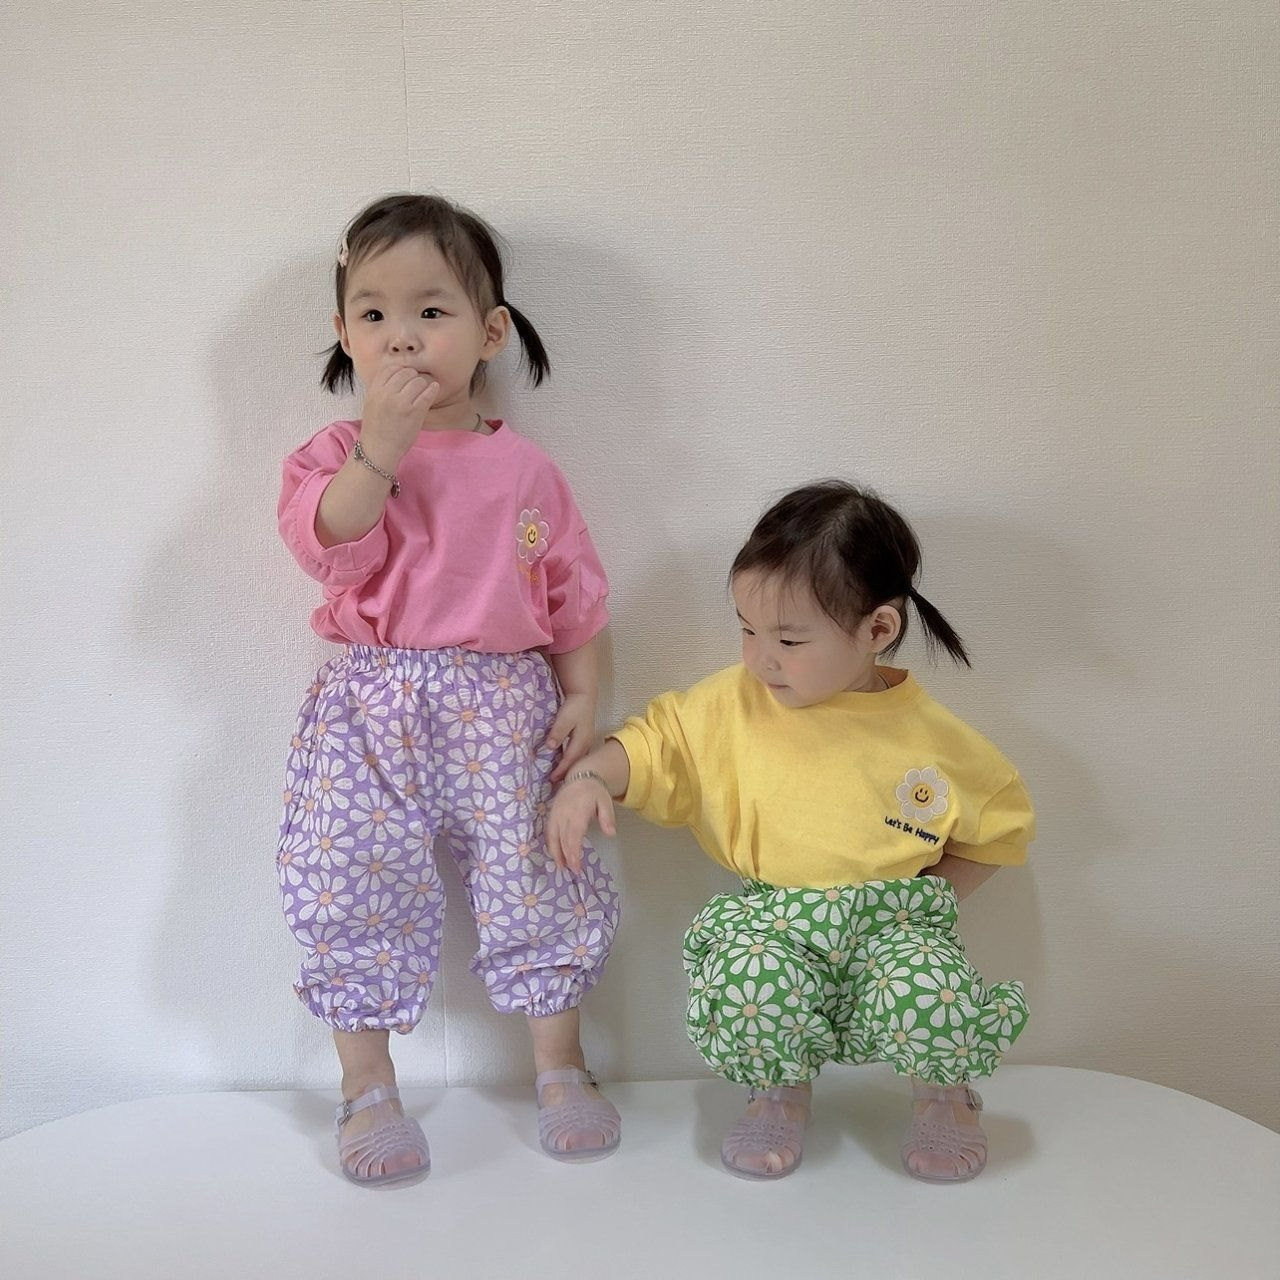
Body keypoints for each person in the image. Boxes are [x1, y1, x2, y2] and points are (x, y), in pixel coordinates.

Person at [276, 193, 620, 1186]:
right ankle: (366, 1087)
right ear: (345, 333)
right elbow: (329, 541)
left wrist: (582, 695)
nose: (402, 336)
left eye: (430, 310)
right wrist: (380, 447)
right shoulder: (334, 456)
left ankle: (560, 1065)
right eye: (374, 313)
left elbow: (574, 594)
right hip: (371, 705)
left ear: (489, 332)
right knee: (351, 874)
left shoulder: (525, 470)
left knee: (536, 866)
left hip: (503, 700)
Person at [548, 480, 1033, 1182]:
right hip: (778, 922)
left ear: (877, 630)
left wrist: (933, 901)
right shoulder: (733, 704)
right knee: (753, 985)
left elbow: (999, 827)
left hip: (892, 925)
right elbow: (658, 745)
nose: (759, 658)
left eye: (788, 639)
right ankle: (778, 1090)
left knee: (931, 991)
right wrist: (592, 776)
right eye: (746, 629)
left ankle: (944, 1094)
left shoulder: (931, 737)